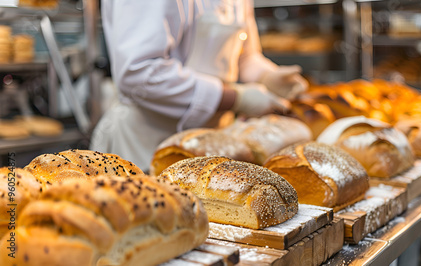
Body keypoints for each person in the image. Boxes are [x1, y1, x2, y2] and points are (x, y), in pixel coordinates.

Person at [90, 0, 308, 170]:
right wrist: (236, 98)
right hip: (144, 144)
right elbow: (139, 73)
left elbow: (243, 55)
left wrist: (266, 76)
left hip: (214, 141)